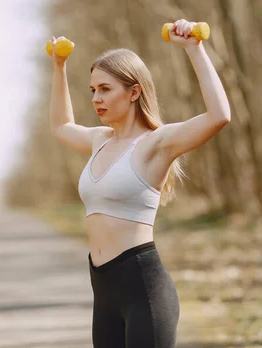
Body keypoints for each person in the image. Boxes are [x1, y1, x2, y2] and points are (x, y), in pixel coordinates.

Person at [49, 19, 231, 348]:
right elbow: (62, 125)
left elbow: (219, 116)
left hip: (144, 294)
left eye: (105, 89)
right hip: (103, 295)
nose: (96, 98)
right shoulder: (99, 140)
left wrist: (195, 48)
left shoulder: (155, 145)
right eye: (93, 90)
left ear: (134, 92)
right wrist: (59, 67)